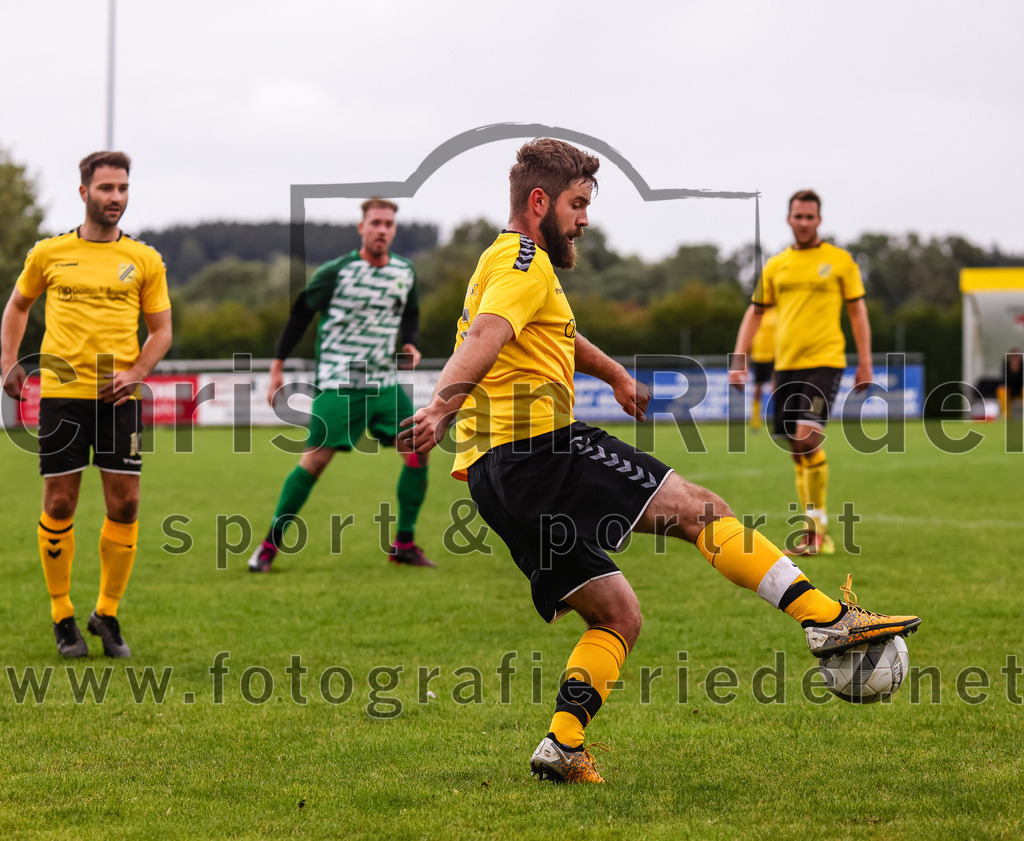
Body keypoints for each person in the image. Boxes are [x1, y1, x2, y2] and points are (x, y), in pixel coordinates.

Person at [402, 139, 919, 783]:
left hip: (492, 479)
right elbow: (487, 337)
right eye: (577, 204)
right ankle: (828, 621)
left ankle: (562, 744)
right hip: (540, 449)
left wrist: (616, 374)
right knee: (704, 512)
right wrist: (441, 407)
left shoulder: (502, 262)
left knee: (618, 614)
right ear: (540, 203)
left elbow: (555, 334)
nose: (585, 219)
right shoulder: (526, 263)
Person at [1, 151, 173, 658]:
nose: (115, 198)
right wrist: (9, 362)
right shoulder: (49, 254)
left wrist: (137, 373)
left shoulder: (145, 260)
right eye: (105, 189)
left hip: (121, 401)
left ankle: (108, 612)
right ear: (84, 193)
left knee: (127, 504)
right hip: (61, 398)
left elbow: (162, 332)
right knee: (59, 503)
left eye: (122, 188)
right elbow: (17, 305)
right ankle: (62, 616)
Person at [248, 198, 434, 572]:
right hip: (339, 381)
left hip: (384, 383)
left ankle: (404, 544)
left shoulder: (405, 271)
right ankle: (268, 547)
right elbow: (300, 315)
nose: (382, 229)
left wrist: (410, 342)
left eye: (389, 224)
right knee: (315, 461)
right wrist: (277, 367)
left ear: (394, 230)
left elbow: (410, 313)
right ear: (361, 228)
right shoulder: (337, 271)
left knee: (418, 451)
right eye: (376, 222)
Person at [729, 190, 873, 556]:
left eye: (811, 217)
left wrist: (866, 361)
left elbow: (857, 312)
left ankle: (818, 532)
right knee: (795, 447)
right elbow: (756, 311)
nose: (805, 222)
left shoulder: (840, 261)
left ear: (819, 220)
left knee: (808, 438)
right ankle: (812, 532)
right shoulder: (776, 265)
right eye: (799, 216)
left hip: (826, 361)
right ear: (789, 219)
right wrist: (739, 357)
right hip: (785, 366)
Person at [747, 306, 776, 432]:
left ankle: (779, 419)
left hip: (774, 357)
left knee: (777, 389)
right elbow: (749, 335)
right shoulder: (756, 313)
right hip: (758, 357)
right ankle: (755, 421)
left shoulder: (778, 312)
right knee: (757, 390)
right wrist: (745, 357)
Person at [998, 348, 1023, 419]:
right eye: (1012, 356)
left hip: (1020, 391)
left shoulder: (1022, 366)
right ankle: (1006, 416)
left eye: (1016, 356)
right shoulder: (1005, 366)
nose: (1015, 359)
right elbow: (1004, 380)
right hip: (1010, 391)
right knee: (1002, 390)